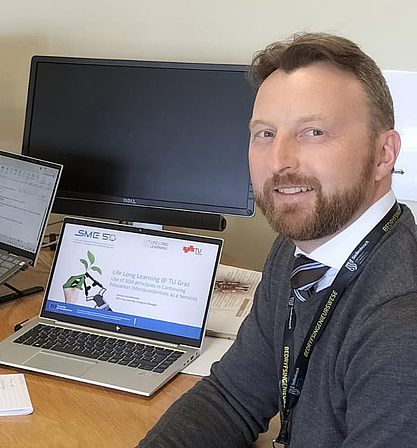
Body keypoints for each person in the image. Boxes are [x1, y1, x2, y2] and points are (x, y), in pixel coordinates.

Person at [139, 32, 417, 447]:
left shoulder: (400, 326)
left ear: (383, 155)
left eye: (314, 132)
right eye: (265, 134)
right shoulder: (300, 248)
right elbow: (231, 399)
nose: (280, 160)